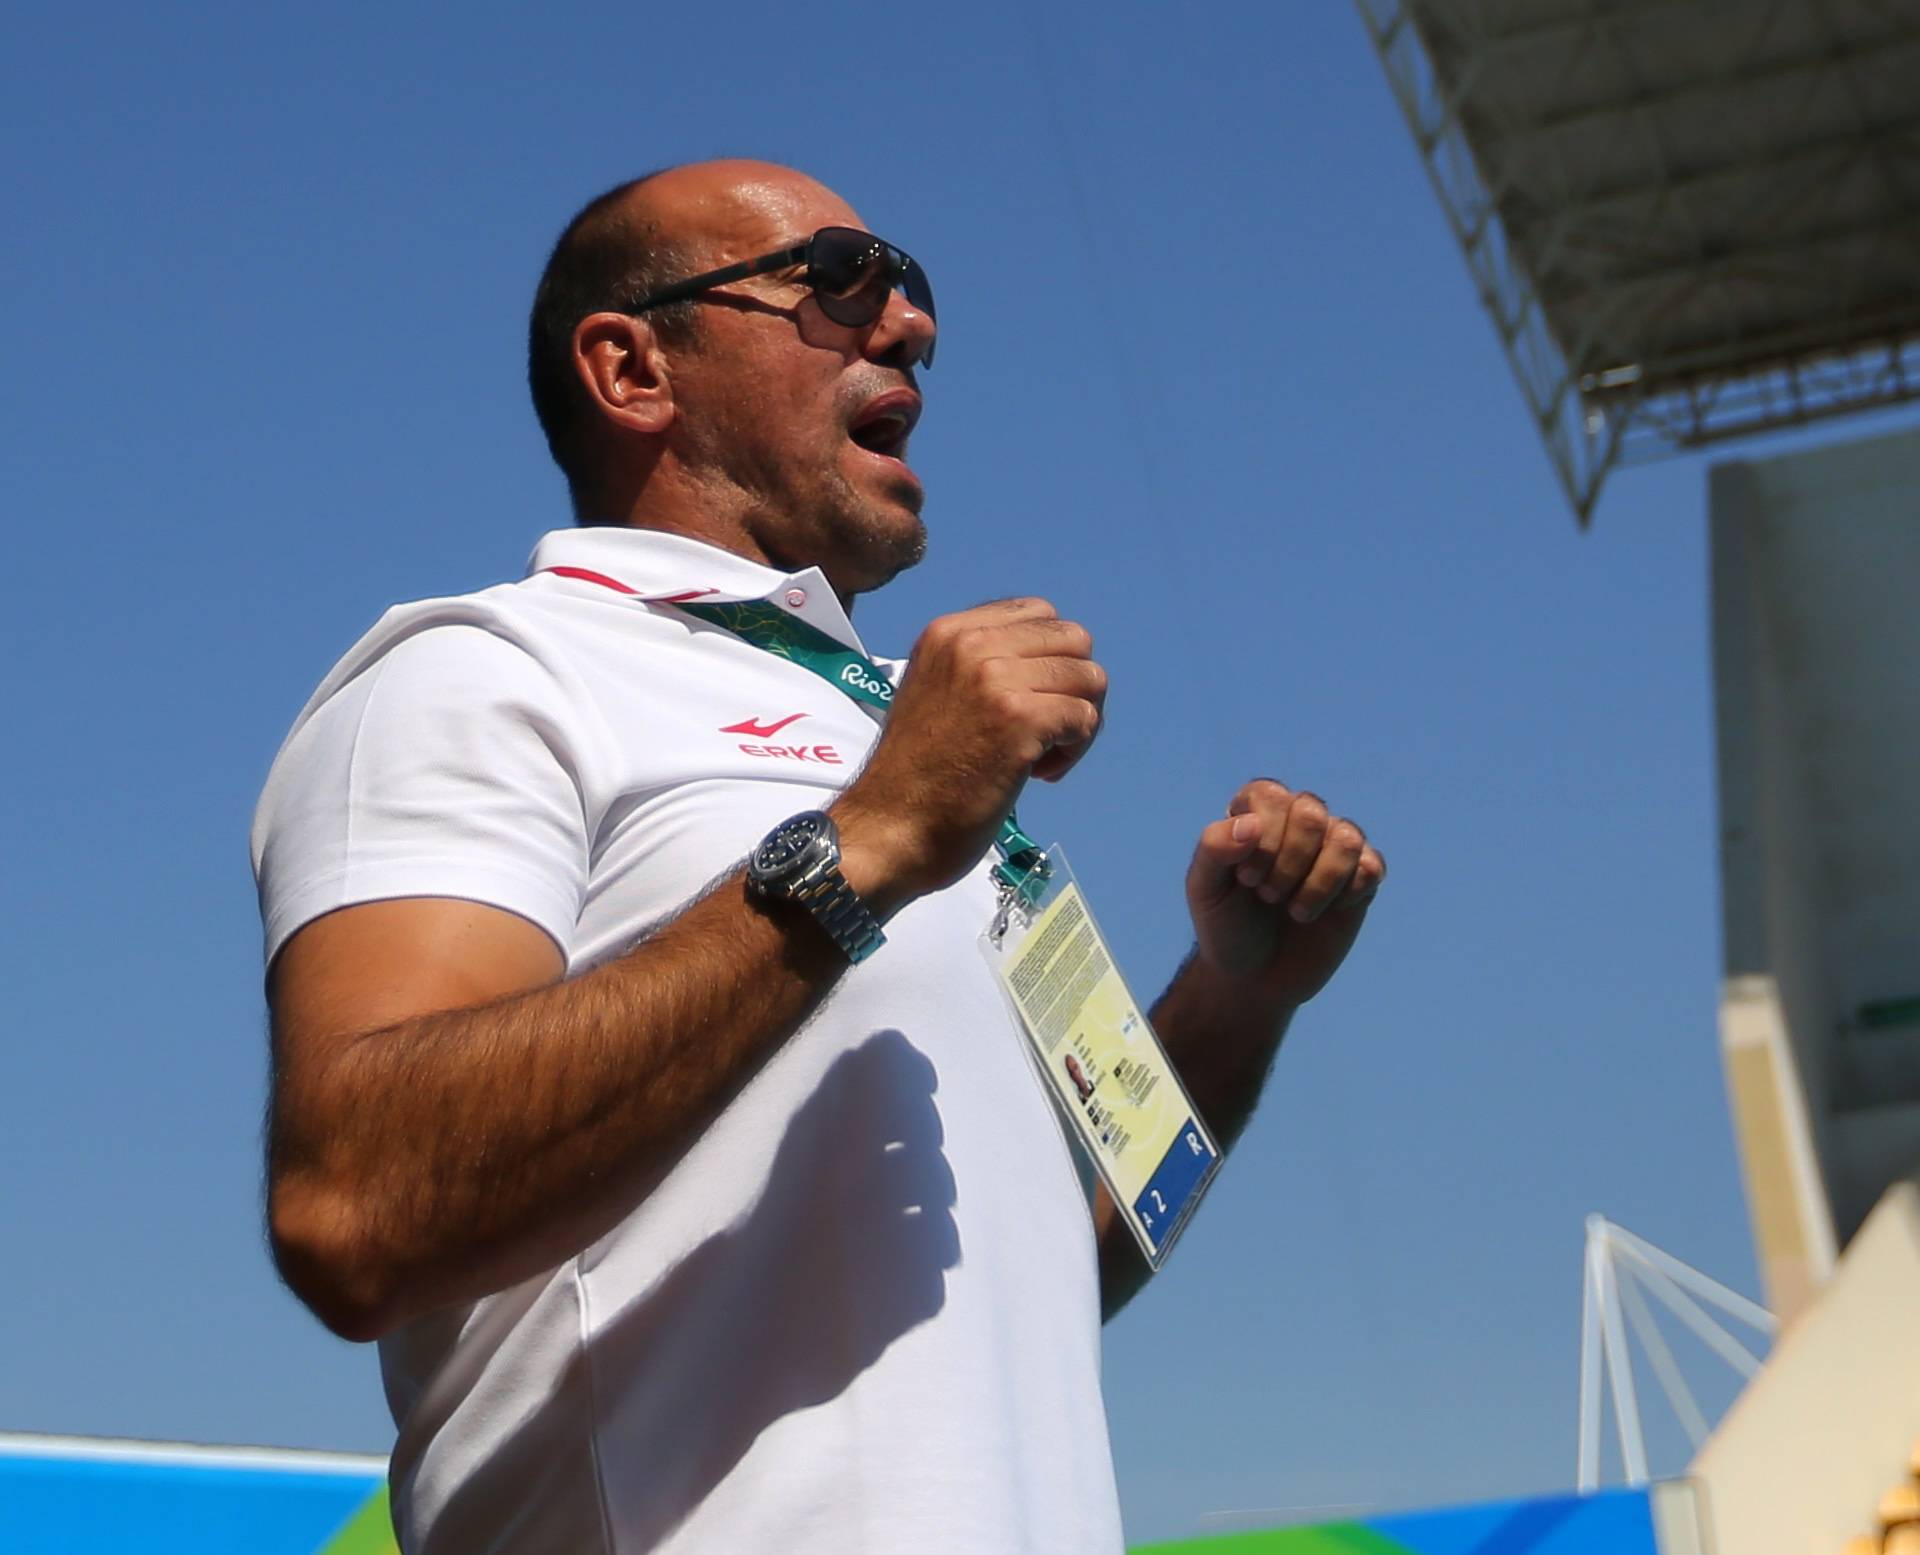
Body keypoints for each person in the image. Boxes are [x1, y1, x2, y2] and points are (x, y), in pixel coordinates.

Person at [252, 159, 1385, 1555]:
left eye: (913, 293)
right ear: (633, 367)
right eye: (840, 276)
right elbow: (353, 1207)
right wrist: (868, 843)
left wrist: (1236, 997)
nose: (905, 321)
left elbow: (1064, 1257)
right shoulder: (488, 672)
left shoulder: (907, 739)